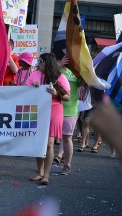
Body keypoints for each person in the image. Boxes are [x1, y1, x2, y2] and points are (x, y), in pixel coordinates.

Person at [25, 53, 70, 185]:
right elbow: (23, 91)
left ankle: (46, 175)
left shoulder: (60, 77)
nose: (38, 63)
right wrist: (31, 87)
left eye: (40, 61)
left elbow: (68, 97)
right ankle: (40, 172)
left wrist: (56, 93)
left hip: (54, 110)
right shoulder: (34, 75)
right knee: (39, 142)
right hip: (38, 110)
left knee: (49, 143)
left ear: (47, 63)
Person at [54, 55, 80, 175]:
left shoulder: (77, 72)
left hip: (70, 109)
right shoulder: (56, 68)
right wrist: (60, 64)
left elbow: (85, 83)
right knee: (50, 138)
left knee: (67, 137)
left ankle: (67, 165)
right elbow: (47, 74)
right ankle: (46, 165)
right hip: (54, 107)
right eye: (65, 57)